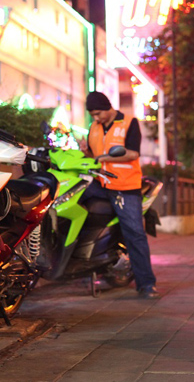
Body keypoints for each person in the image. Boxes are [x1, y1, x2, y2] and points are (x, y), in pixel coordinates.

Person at [77, 91, 159, 299]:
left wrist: (104, 158)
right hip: (99, 184)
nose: (96, 118)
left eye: (98, 114)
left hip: (125, 186)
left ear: (107, 108)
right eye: (93, 115)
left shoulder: (129, 122)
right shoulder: (94, 127)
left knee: (135, 234)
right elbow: (93, 156)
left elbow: (132, 153)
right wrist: (85, 151)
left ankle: (146, 284)